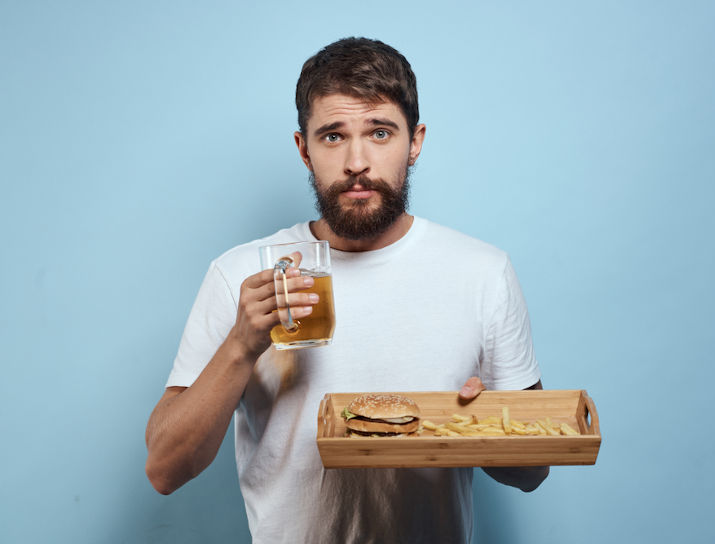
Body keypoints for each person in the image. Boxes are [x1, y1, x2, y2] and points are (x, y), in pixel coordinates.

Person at [145, 36, 548, 543]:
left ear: (415, 141)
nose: (358, 161)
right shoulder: (241, 274)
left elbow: (533, 473)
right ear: (304, 149)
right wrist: (241, 346)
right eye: (333, 136)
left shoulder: (482, 271)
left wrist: (484, 425)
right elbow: (165, 469)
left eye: (380, 132)